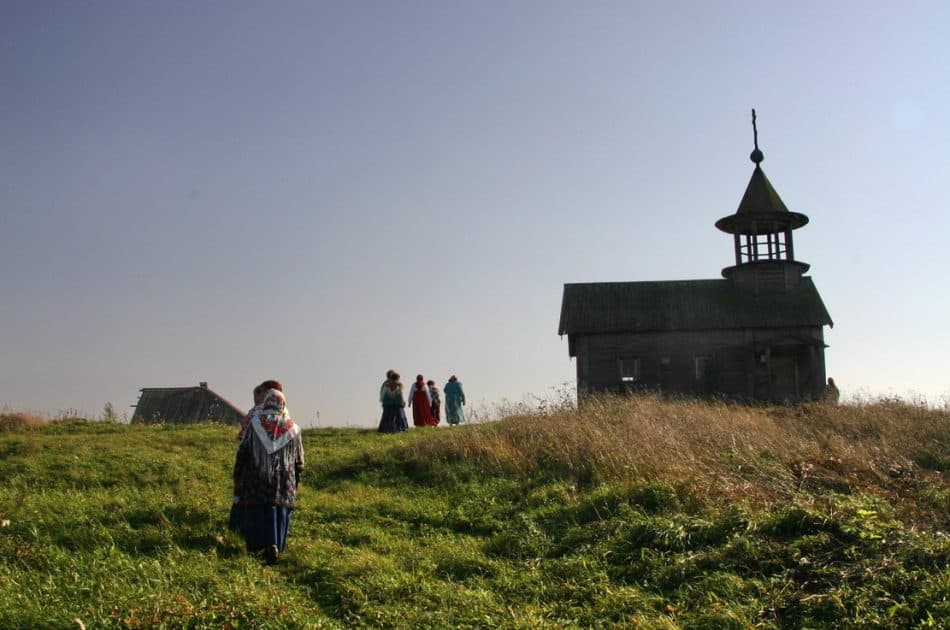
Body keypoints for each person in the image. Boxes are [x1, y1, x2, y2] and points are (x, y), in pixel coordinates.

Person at [231, 388, 304, 564]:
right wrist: (297, 478)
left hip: (257, 476)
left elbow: (244, 451)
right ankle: (276, 544)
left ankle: (257, 547)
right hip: (283, 479)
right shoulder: (293, 428)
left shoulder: (255, 423)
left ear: (266, 403)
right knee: (278, 508)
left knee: (258, 509)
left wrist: (238, 473)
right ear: (282, 404)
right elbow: (299, 460)